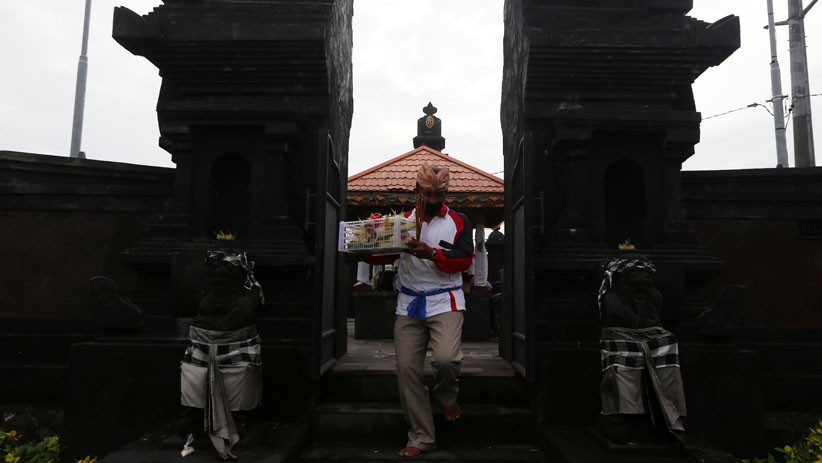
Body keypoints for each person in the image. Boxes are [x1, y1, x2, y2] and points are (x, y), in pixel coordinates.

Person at [367, 163, 474, 458]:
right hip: (409, 302)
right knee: (407, 370)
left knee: (447, 359)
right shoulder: (400, 222)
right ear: (417, 190)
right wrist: (367, 239)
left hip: (445, 300)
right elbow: (377, 257)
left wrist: (432, 253)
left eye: (440, 193)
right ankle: (421, 436)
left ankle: (446, 395)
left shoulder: (458, 221)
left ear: (447, 192)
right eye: (428, 193)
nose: (434, 199)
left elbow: (465, 259)